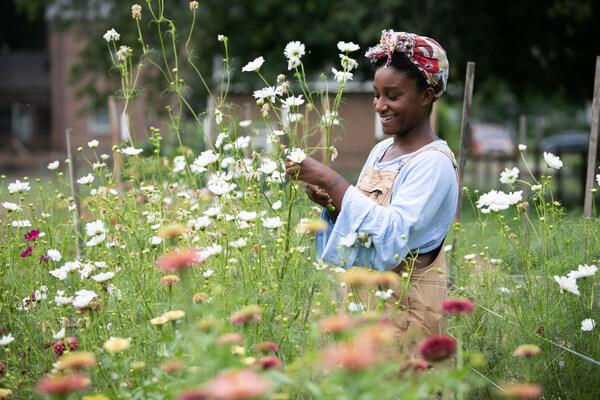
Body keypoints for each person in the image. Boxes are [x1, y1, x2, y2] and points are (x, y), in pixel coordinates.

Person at [285, 30, 459, 339]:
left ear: (426, 95)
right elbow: (366, 232)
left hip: (406, 316)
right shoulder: (382, 151)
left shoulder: (433, 163)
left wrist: (332, 180)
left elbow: (392, 237)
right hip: (365, 305)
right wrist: (332, 203)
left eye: (393, 96)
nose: (379, 106)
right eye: (377, 95)